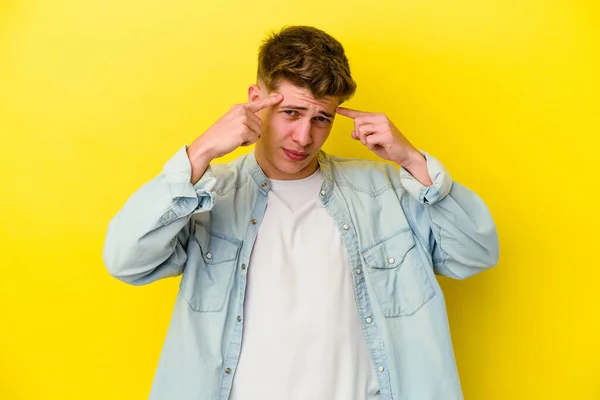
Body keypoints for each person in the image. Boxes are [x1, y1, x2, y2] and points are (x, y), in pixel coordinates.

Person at [103, 25, 499, 400]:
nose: (304, 137)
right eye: (291, 113)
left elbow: (475, 254)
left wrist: (414, 161)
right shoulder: (209, 195)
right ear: (256, 100)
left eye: (322, 118)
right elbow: (126, 261)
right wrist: (199, 154)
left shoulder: (387, 191)